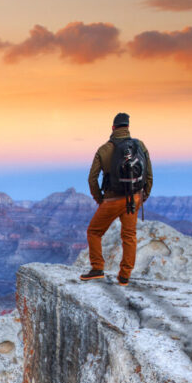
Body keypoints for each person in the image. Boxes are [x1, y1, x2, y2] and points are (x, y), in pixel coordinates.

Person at [81, 112, 153, 285]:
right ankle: (125, 276)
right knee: (129, 236)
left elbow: (92, 179)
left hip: (112, 199)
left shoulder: (104, 149)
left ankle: (97, 268)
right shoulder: (140, 145)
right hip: (133, 198)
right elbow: (149, 175)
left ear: (113, 128)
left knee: (94, 232)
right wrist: (142, 196)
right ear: (127, 127)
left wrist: (100, 199)